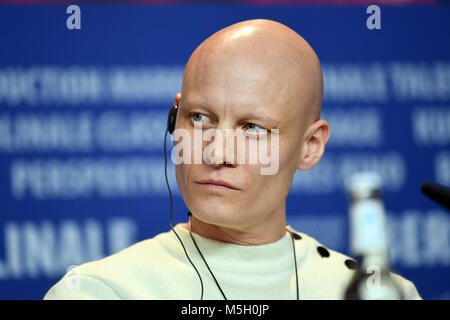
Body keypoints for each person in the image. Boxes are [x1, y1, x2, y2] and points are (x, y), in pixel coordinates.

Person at [44, 19, 421, 300]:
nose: (216, 152)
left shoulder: (383, 294)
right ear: (174, 119)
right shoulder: (100, 292)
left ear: (310, 146)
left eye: (253, 127)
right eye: (199, 118)